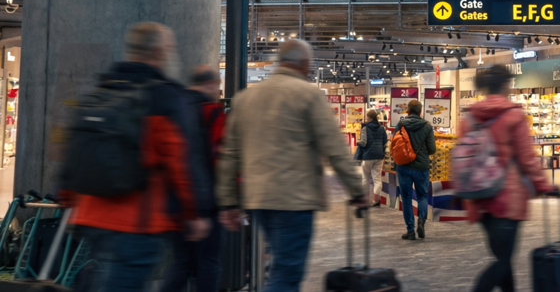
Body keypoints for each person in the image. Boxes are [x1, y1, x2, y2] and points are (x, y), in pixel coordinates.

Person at [68, 22, 210, 292]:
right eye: (170, 48)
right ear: (159, 51)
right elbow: (181, 162)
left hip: (89, 215)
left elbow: (74, 151)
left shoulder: (100, 90)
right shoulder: (164, 97)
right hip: (135, 223)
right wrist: (196, 213)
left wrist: (66, 198)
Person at [216, 40, 367, 292]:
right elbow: (335, 148)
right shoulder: (308, 96)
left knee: (279, 267)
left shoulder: (246, 98)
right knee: (287, 273)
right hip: (294, 199)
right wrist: (357, 191)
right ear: (305, 64)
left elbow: (229, 154)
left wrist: (227, 202)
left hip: (257, 198)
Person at [463, 66, 555, 292]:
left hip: (479, 196)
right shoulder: (513, 116)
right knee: (502, 261)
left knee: (503, 258)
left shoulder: (469, 117)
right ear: (505, 86)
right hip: (506, 198)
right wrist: (544, 185)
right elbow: (527, 158)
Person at [162, 65, 226, 292]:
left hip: (175, 202)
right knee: (208, 262)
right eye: (217, 85)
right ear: (210, 84)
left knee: (182, 262)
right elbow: (216, 160)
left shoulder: (175, 106)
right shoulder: (212, 112)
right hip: (203, 204)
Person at [392, 99, 437, 240]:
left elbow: (394, 144)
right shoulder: (427, 127)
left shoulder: (401, 124)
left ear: (408, 111)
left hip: (404, 166)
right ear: (421, 111)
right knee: (422, 196)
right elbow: (432, 149)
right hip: (421, 167)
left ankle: (410, 231)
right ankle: (422, 221)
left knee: (406, 198)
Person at [360, 109, 389, 207]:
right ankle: (376, 201)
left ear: (369, 117)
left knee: (365, 178)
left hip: (367, 156)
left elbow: (363, 143)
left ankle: (365, 200)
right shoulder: (381, 128)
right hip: (379, 156)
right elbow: (385, 143)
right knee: (377, 179)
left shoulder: (365, 128)